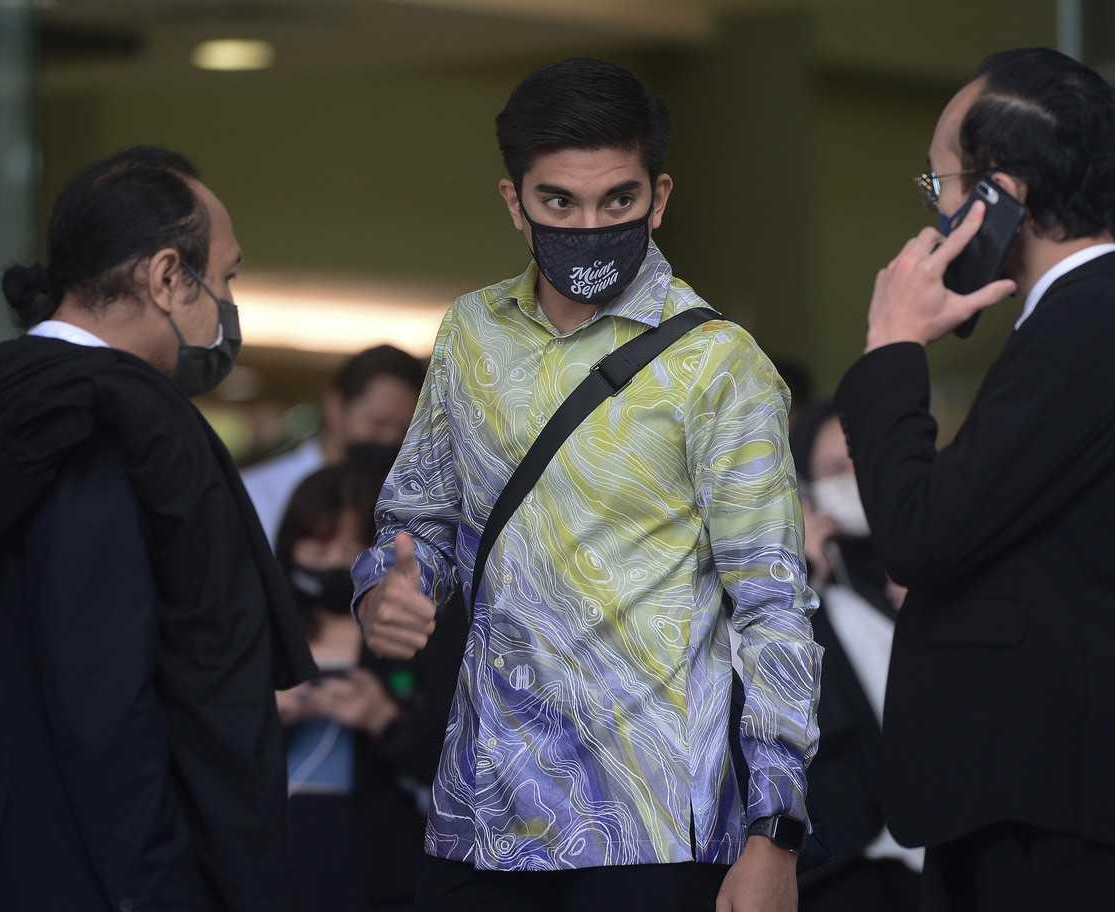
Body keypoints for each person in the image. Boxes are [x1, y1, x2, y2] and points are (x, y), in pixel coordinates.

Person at [352, 58, 821, 912]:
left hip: (651, 819)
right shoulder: (470, 334)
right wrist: (389, 589)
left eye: (619, 201)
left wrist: (775, 830)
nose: (591, 223)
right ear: (514, 202)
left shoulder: (717, 363)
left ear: (660, 197)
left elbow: (773, 605)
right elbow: (418, 520)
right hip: (480, 812)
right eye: (559, 202)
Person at [833, 48, 1115, 910]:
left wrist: (892, 346)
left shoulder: (1088, 327)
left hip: (1071, 828)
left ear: (1001, 196)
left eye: (939, 191)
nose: (933, 223)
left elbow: (919, 535)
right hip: (1105, 811)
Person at [0, 147, 316, 911]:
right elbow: (102, 689)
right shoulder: (115, 421)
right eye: (227, 277)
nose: (227, 306)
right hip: (88, 869)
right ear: (169, 276)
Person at [275, 452, 466, 912]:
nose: (335, 562)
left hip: (381, 869)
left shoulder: (418, 635)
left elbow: (451, 760)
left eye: (351, 549)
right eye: (319, 547)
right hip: (272, 856)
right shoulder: (256, 630)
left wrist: (383, 717)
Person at [787, 402, 921, 912]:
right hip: (853, 869)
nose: (857, 482)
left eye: (866, 462)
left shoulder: (923, 581)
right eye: (836, 471)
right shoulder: (800, 589)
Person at [243, 344, 425, 542]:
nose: (391, 438)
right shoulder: (259, 493)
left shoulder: (408, 502)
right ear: (335, 408)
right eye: (379, 423)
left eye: (404, 430)